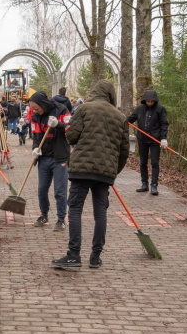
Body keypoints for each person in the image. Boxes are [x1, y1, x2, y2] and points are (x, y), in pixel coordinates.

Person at [53, 80, 130, 270]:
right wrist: (113, 171)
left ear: (95, 91)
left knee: (76, 209)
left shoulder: (84, 108)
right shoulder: (121, 117)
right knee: (100, 212)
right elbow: (124, 151)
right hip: (105, 173)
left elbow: (71, 137)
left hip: (81, 169)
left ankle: (74, 255)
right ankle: (95, 257)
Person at [28, 91, 72, 231]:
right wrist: (35, 149)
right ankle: (44, 215)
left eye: (36, 108)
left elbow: (71, 129)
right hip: (44, 158)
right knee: (41, 189)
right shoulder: (35, 117)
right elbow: (35, 135)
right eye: (33, 109)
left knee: (60, 191)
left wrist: (58, 124)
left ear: (43, 104)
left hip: (59, 157)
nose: (35, 111)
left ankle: (61, 219)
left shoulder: (61, 110)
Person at [126, 88, 170, 195]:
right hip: (142, 139)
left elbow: (164, 123)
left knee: (154, 162)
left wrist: (163, 138)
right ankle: (144, 184)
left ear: (155, 100)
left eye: (152, 101)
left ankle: (154, 186)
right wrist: (123, 120)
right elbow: (131, 119)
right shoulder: (140, 109)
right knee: (143, 162)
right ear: (145, 100)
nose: (149, 103)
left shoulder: (160, 109)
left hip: (155, 140)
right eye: (148, 101)